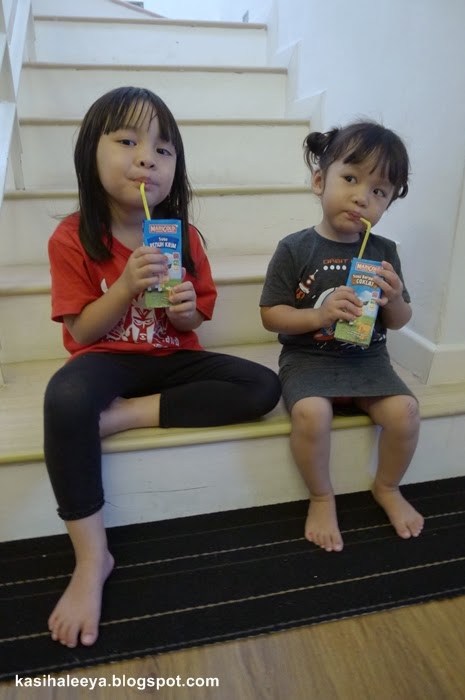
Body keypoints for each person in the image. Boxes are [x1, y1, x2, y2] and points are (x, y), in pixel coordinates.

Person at [44, 86, 281, 648]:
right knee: (65, 400)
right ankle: (92, 556)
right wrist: (125, 286)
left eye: (163, 149)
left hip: (173, 357)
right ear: (90, 153)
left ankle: (124, 416)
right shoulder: (72, 238)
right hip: (106, 359)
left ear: (176, 168)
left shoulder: (183, 237)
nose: (147, 158)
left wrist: (183, 310)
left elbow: (195, 316)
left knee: (262, 385)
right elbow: (82, 332)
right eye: (127, 141)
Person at [260, 120, 424, 553]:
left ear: (388, 203)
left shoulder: (384, 253)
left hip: (367, 361)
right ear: (320, 181)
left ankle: (387, 486)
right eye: (350, 179)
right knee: (312, 414)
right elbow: (271, 316)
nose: (362, 197)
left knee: (406, 412)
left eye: (379, 191)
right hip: (309, 360)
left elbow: (399, 320)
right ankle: (321, 496)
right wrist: (319, 315)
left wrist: (393, 299)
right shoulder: (295, 248)